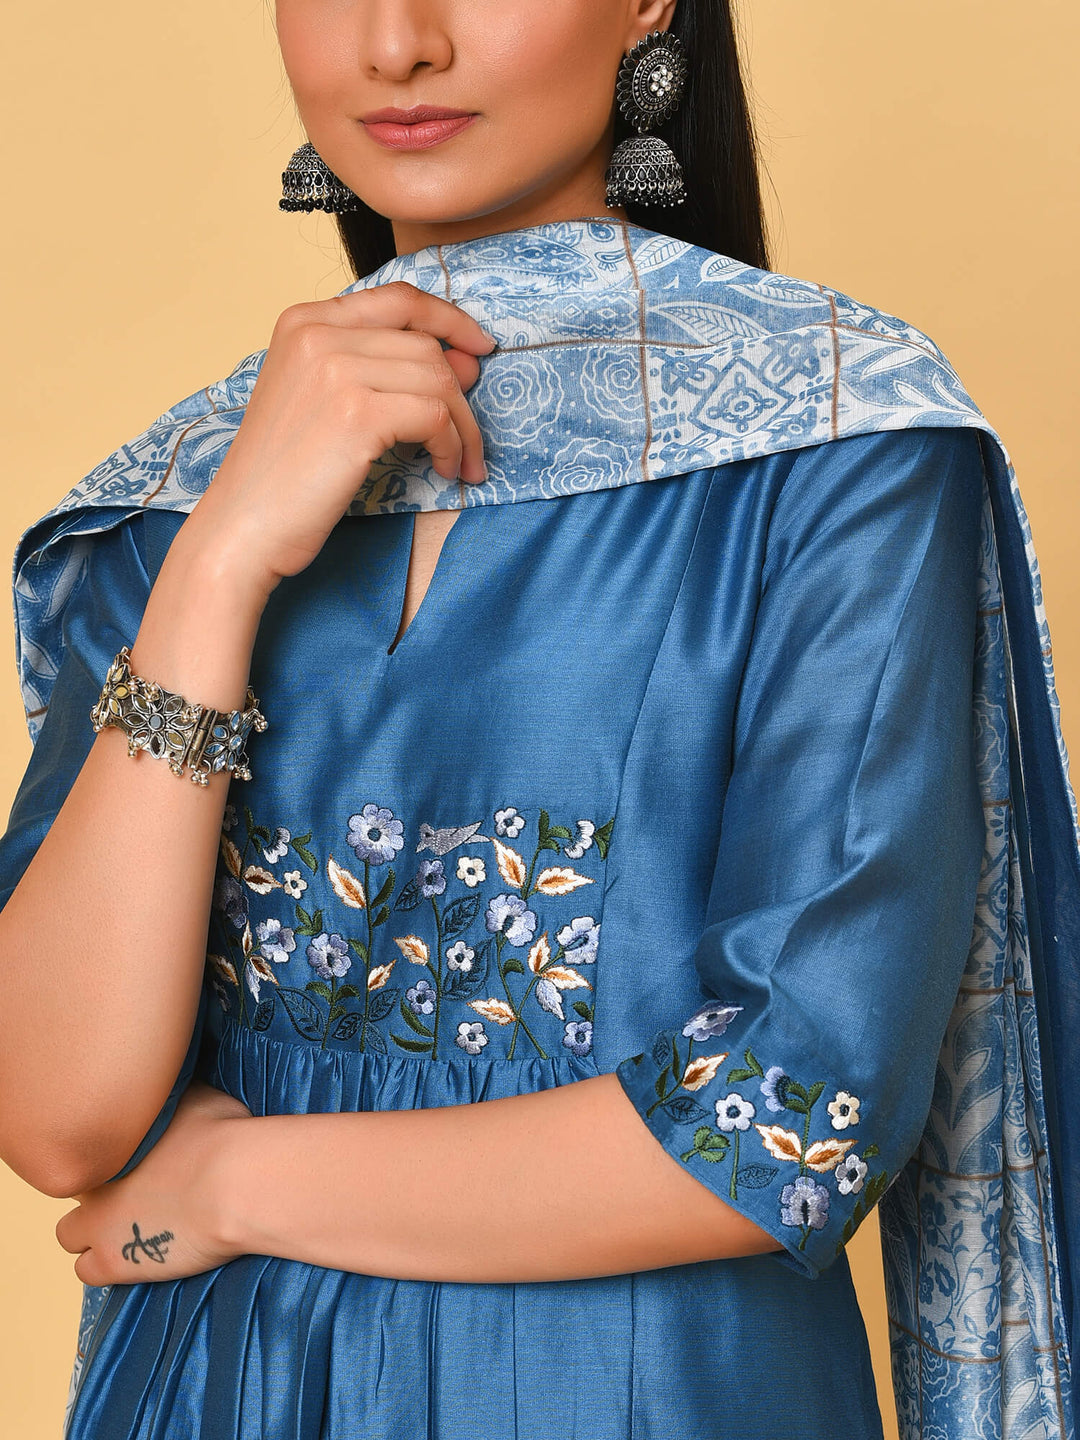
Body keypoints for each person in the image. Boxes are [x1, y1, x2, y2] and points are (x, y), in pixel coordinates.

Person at [0, 3, 1076, 1438]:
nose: (397, 42)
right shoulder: (186, 496)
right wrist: (221, 563)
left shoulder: (840, 449)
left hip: (645, 1398)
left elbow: (786, 1123)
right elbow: (57, 1113)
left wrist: (233, 1184)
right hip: (209, 1395)